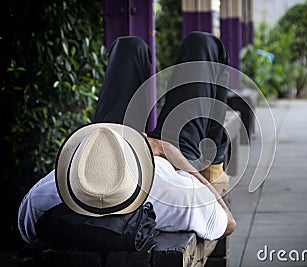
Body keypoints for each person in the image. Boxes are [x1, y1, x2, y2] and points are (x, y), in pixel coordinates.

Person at [17, 32, 236, 247]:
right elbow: (227, 224)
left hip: (108, 142)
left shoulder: (50, 191)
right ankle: (214, 163)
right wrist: (168, 151)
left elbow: (26, 229)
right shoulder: (173, 195)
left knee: (128, 46)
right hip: (167, 159)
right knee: (203, 44)